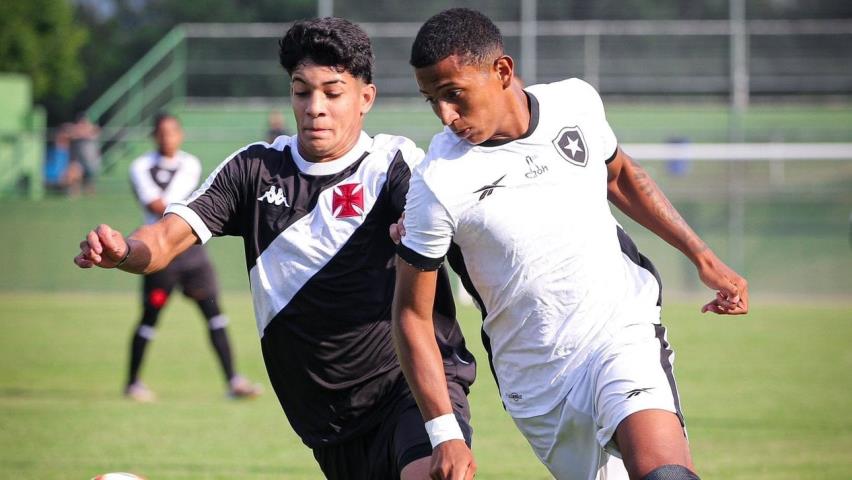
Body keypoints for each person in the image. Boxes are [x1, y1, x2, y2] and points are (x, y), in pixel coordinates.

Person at [75, 17, 476, 480]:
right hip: (326, 419)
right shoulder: (254, 170)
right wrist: (123, 250)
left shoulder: (393, 164)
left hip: (411, 390)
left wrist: (418, 223)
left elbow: (435, 221)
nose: (314, 107)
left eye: (332, 91)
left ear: (365, 98)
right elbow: (164, 239)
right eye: (302, 91)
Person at [392, 8, 749, 480]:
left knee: (666, 474)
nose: (446, 115)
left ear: (502, 71)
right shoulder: (439, 182)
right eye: (431, 101)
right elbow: (411, 314)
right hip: (538, 380)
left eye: (454, 95)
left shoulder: (575, 103)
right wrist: (446, 435)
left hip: (621, 333)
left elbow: (619, 176)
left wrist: (702, 257)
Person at [124, 112, 262, 402]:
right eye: (161, 132)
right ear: (154, 136)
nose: (167, 137)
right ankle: (133, 383)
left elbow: (173, 203)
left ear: (180, 135)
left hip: (191, 253)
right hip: (158, 255)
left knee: (215, 315)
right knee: (150, 317)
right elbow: (158, 203)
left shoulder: (190, 163)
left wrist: (168, 210)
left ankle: (234, 381)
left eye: (172, 131)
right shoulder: (139, 167)